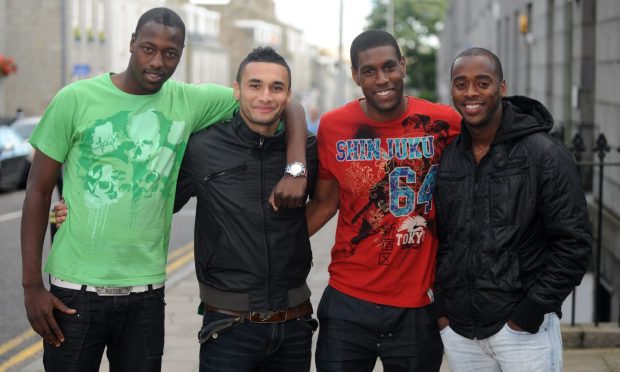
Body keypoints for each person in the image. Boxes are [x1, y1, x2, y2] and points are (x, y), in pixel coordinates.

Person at [21, 8, 308, 372]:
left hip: (146, 294)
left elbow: (287, 104)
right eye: (148, 48)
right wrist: (32, 286)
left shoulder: (189, 101)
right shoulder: (75, 98)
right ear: (131, 44)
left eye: (170, 53)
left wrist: (296, 167)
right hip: (74, 292)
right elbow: (37, 190)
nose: (158, 61)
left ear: (182, 52)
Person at [305, 30, 462, 371]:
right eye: (370, 71)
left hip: (417, 306)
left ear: (403, 66)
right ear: (355, 75)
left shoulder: (443, 122)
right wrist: (268, 246)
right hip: (348, 300)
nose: (382, 79)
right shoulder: (334, 126)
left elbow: (492, 134)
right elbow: (324, 204)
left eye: (389, 67)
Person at [433, 47, 592, 372]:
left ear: (502, 88)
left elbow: (574, 243)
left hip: (523, 331)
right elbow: (443, 238)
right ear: (452, 91)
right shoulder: (450, 157)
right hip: (461, 332)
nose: (471, 93)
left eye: (482, 82)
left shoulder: (544, 154)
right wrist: (442, 311)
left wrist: (531, 311)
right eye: (460, 84)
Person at [174, 46, 318, 372]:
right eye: (255, 85)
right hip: (227, 328)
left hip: (295, 324)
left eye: (276, 88)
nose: (265, 96)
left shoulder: (306, 150)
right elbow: (157, 204)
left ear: (288, 95)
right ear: (237, 90)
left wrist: (286, 235)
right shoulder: (201, 148)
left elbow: (328, 201)